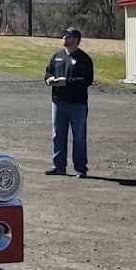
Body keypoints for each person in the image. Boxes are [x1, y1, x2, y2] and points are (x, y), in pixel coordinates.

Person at [44, 27, 94, 177]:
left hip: (77, 104)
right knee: (57, 134)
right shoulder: (57, 56)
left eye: (68, 36)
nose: (64, 38)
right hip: (58, 102)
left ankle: (80, 168)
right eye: (64, 35)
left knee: (78, 136)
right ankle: (59, 166)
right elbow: (48, 71)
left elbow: (87, 80)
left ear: (76, 40)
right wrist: (49, 79)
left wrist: (67, 82)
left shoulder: (84, 59)